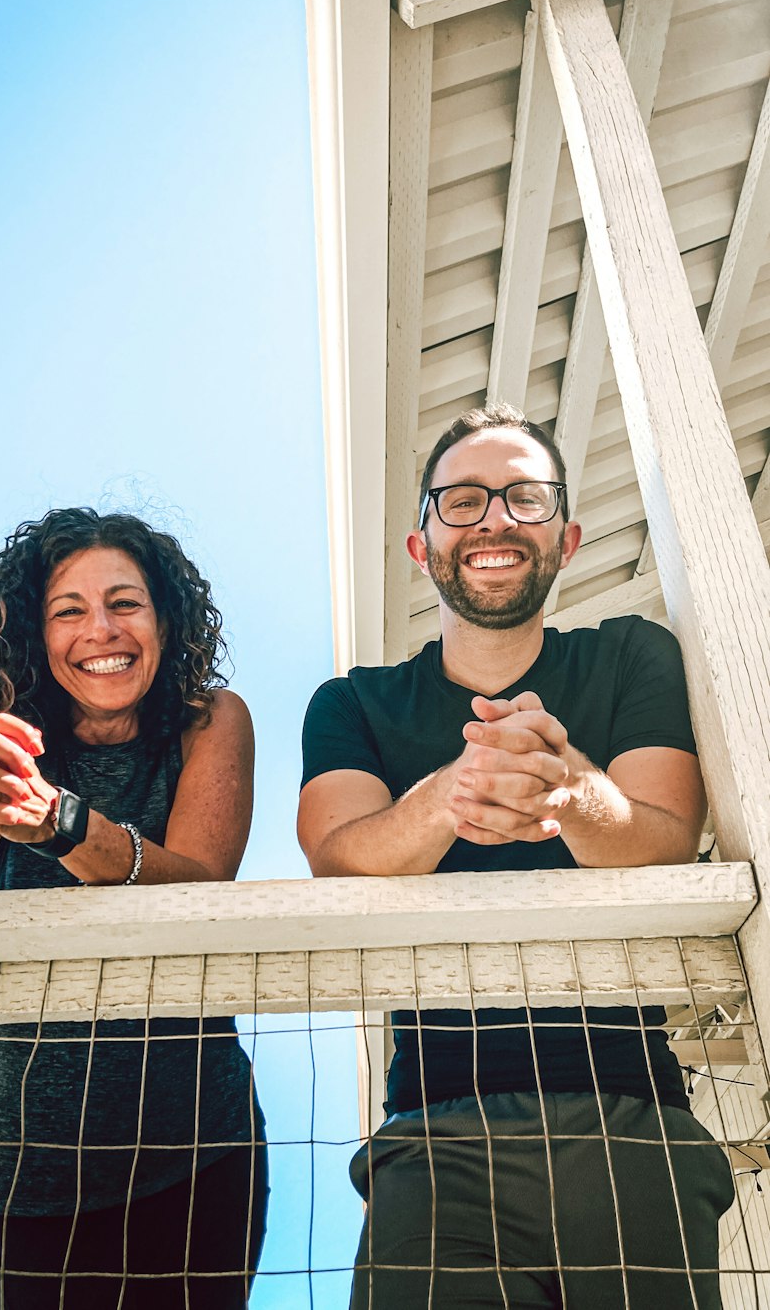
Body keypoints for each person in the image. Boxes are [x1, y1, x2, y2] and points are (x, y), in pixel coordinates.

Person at [298, 404, 735, 1309]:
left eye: (524, 498)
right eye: (462, 500)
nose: (494, 519)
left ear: (566, 537)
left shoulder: (631, 656)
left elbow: (666, 835)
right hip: (431, 1130)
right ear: (423, 544)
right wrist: (465, 784)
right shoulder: (354, 703)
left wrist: (566, 787)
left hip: (633, 1120)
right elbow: (338, 860)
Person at [0, 508, 267, 1310]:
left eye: (125, 603)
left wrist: (60, 821)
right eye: (68, 610)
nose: (99, 629)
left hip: (190, 1150)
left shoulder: (209, 721)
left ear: (166, 617)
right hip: (15, 1171)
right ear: (36, 637)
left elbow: (202, 882)